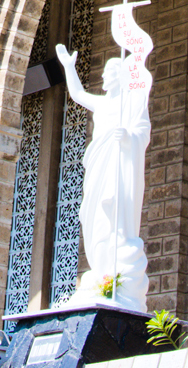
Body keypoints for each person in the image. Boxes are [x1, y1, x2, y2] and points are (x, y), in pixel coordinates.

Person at [54, 41, 150, 310]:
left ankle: (119, 273)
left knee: (115, 213)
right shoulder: (104, 103)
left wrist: (129, 136)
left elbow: (143, 131)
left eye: (109, 72)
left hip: (119, 168)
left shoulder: (130, 105)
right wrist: (69, 67)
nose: (104, 76)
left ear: (119, 76)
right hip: (98, 167)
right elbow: (78, 95)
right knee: (93, 214)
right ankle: (101, 270)